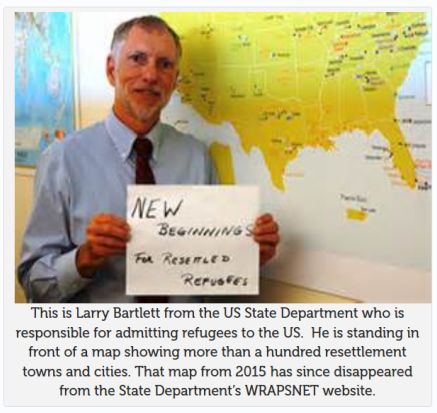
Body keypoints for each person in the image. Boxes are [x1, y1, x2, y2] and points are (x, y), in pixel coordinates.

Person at [18, 15, 280, 303]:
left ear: (175, 81)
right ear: (110, 70)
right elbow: (33, 284)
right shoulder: (62, 159)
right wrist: (86, 257)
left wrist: (246, 258)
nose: (151, 75)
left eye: (164, 64)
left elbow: (207, 277)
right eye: (137, 59)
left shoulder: (197, 157)